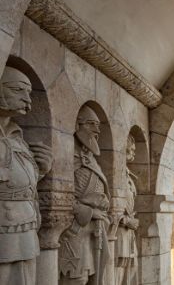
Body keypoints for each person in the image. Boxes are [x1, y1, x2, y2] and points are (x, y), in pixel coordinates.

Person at [0, 66, 52, 284]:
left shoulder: (17, 137)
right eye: (18, 90)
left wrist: (42, 168)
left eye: (29, 93)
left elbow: (18, 182)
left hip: (26, 223)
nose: (27, 100)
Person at [59, 106, 110, 285]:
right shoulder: (68, 155)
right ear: (77, 124)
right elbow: (59, 194)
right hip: (74, 230)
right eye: (91, 124)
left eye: (98, 125)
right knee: (77, 278)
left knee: (92, 277)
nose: (97, 130)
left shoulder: (90, 159)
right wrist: (89, 211)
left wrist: (103, 201)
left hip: (93, 230)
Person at [113, 135, 139, 284]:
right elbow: (109, 207)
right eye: (131, 149)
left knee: (130, 271)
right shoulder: (115, 172)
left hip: (128, 234)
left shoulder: (127, 174)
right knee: (118, 272)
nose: (134, 153)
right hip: (119, 233)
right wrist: (127, 221)